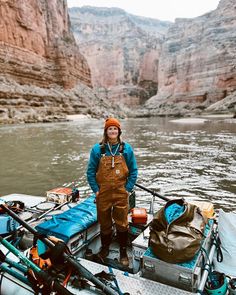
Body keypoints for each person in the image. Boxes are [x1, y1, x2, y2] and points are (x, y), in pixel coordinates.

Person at [87, 117, 138, 267]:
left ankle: (123, 251)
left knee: (122, 223)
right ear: (106, 131)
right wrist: (96, 190)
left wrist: (127, 189)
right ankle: (105, 249)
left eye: (115, 128)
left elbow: (134, 171)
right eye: (110, 129)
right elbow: (90, 172)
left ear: (119, 131)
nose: (113, 131)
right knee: (105, 223)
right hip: (103, 194)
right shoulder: (98, 149)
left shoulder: (126, 148)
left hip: (121, 193)